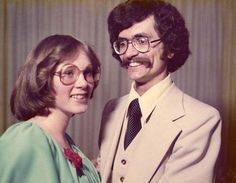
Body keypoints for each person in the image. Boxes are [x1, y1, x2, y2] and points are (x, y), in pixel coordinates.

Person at [97, 0, 222, 183]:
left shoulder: (201, 120)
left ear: (170, 48)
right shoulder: (112, 109)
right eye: (123, 43)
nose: (129, 53)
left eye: (141, 41)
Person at [0, 35, 101, 183]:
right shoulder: (26, 138)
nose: (83, 83)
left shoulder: (68, 143)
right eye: (69, 73)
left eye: (87, 73)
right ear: (43, 79)